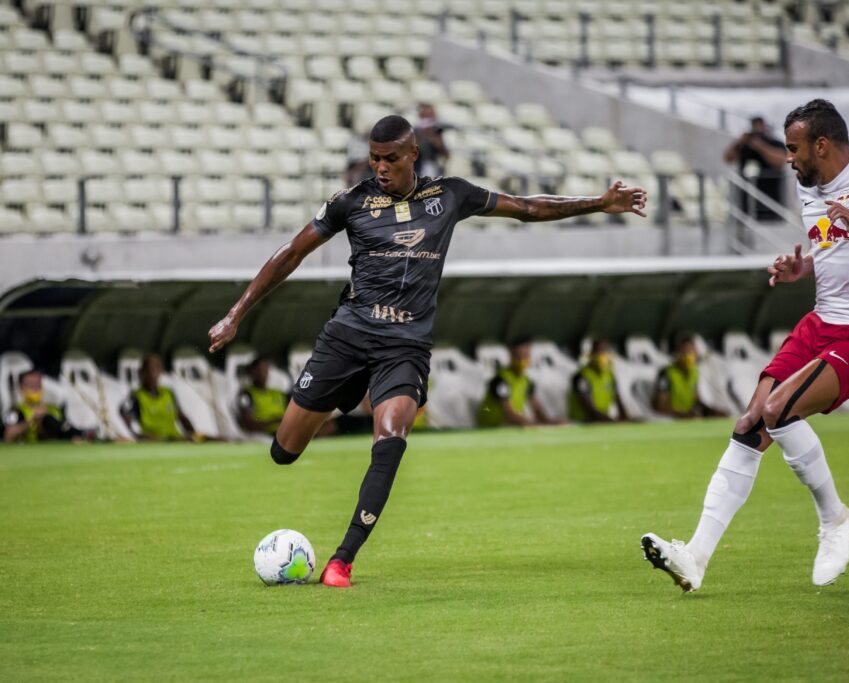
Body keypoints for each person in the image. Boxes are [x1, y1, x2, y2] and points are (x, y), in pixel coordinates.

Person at [207, 114, 647, 589]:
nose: (380, 167)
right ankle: (352, 388)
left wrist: (599, 203)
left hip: (405, 345)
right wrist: (236, 314)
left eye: (390, 158)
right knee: (284, 451)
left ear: (413, 154)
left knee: (391, 436)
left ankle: (342, 560)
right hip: (348, 335)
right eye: (374, 158)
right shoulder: (351, 202)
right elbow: (292, 252)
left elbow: (526, 207)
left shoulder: (449, 194)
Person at [642, 99, 849, 592]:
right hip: (820, 321)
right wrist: (804, 267)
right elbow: (834, 243)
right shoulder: (810, 188)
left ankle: (836, 519)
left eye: (793, 148)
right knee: (750, 423)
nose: (787, 158)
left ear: (822, 144)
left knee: (779, 410)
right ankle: (696, 557)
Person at [477, 340, 558, 428]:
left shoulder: (527, 382)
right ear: (511, 357)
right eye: (518, 356)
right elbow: (509, 414)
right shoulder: (500, 381)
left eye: (526, 356)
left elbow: (537, 410)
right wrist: (531, 424)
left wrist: (550, 422)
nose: (522, 360)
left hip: (508, 427)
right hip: (491, 427)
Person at [120, 354, 197, 442]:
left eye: (155, 369)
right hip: (153, 441)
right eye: (148, 370)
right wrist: (137, 435)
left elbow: (182, 417)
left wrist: (194, 435)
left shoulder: (168, 393)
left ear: (160, 371)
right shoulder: (135, 396)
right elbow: (124, 416)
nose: (151, 374)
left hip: (174, 438)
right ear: (141, 373)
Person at [724, 116, 787, 220]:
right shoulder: (744, 144)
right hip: (746, 199)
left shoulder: (774, 142)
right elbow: (728, 158)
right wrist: (739, 142)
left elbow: (780, 161)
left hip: (770, 198)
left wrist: (761, 147)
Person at [4, 370, 91, 443]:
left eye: (37, 385)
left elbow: (65, 427)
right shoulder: (16, 410)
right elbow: (8, 436)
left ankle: (84, 434)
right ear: (21, 388)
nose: (35, 389)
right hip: (28, 452)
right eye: (30, 385)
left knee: (48, 420)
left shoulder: (54, 408)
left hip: (56, 451)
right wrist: (31, 421)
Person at [652, 336, 724, 419]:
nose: (688, 355)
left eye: (691, 351)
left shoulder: (695, 372)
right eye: (685, 351)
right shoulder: (666, 373)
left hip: (687, 419)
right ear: (678, 353)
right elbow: (660, 406)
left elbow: (696, 399)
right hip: (668, 419)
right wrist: (682, 414)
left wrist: (712, 411)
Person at [567, 339, 631, 423]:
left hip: (602, 421)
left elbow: (618, 401)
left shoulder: (610, 376)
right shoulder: (582, 377)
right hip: (581, 422)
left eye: (605, 351)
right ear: (590, 354)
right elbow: (588, 407)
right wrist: (611, 421)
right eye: (598, 351)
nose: (602, 355)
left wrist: (626, 420)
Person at [236, 356, 289, 436]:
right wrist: (275, 421)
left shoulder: (279, 393)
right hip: (263, 435)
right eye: (259, 370)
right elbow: (247, 424)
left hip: (286, 432)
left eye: (265, 369)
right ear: (251, 372)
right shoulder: (246, 395)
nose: (263, 373)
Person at [413, 103, 448, 178]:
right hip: (418, 169)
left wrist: (434, 138)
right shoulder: (415, 131)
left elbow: (446, 154)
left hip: (433, 168)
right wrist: (423, 134)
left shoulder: (437, 131)